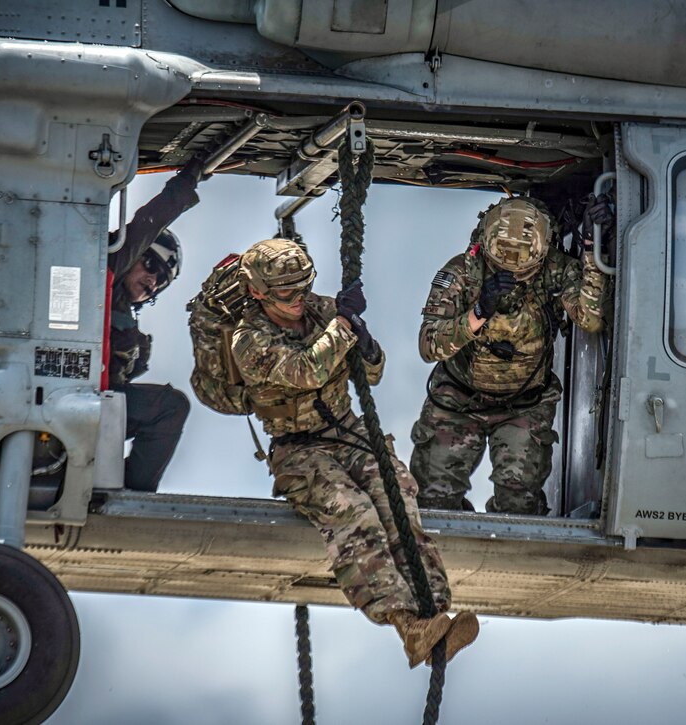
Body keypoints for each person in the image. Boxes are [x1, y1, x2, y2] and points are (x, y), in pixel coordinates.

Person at [230, 238, 478, 668]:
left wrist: (366, 345)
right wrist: (343, 326)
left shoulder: (323, 312)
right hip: (300, 450)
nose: (298, 299)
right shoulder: (249, 340)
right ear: (259, 292)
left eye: (303, 287)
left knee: (398, 495)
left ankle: (434, 609)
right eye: (287, 292)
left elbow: (374, 373)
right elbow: (307, 370)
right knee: (352, 509)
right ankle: (407, 624)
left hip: (349, 434)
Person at [410, 195, 612, 514]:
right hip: (459, 402)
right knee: (433, 503)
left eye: (526, 271)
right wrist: (477, 313)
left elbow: (590, 318)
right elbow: (429, 345)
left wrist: (590, 248)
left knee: (519, 506)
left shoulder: (556, 269)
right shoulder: (462, 272)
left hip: (524, 406)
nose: (516, 276)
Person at [107, 156, 205, 492]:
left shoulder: (133, 339)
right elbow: (147, 224)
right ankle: (133, 490)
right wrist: (185, 184)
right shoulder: (103, 273)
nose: (152, 280)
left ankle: (112, 484)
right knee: (169, 406)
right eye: (149, 264)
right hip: (72, 395)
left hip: (92, 404)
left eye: (161, 280)